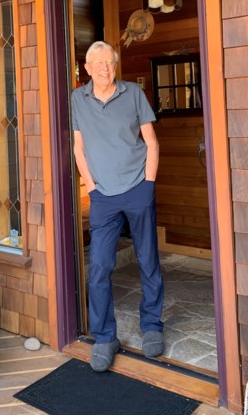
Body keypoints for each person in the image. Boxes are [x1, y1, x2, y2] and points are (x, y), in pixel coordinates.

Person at [71, 41, 164, 372]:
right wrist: (92, 188)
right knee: (98, 266)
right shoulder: (77, 100)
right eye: (97, 63)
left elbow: (151, 141)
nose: (103, 68)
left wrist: (149, 184)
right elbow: (79, 149)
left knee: (148, 259)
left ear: (115, 65)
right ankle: (104, 337)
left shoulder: (133, 94)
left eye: (109, 63)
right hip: (103, 198)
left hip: (138, 186)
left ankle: (152, 325)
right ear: (87, 68)